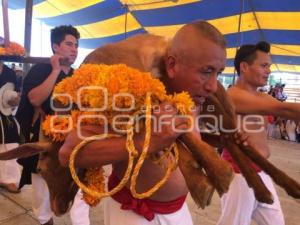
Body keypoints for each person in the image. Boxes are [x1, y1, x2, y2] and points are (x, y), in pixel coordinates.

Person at [58, 20, 227, 225]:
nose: (213, 86)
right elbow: (68, 153)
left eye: (218, 73)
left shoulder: (194, 95)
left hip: (179, 212)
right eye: (206, 71)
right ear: (172, 65)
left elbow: (181, 140)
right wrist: (145, 141)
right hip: (134, 215)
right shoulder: (128, 93)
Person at [217, 41, 300, 225]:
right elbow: (284, 110)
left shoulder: (262, 96)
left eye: (269, 66)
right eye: (263, 65)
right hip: (239, 174)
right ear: (244, 67)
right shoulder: (233, 96)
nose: (268, 71)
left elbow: (288, 113)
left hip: (261, 171)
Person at [16, 25, 90, 225]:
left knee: (79, 188)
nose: (74, 49)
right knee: (43, 192)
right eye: (68, 44)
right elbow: (35, 99)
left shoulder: (77, 76)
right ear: (55, 47)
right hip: (46, 141)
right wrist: (56, 70)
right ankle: (45, 221)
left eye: (76, 45)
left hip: (73, 140)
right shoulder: (41, 70)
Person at [0, 61, 21, 193]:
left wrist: (15, 101)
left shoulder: (9, 72)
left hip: (5, 112)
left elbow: (15, 93)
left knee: (11, 142)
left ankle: (8, 179)